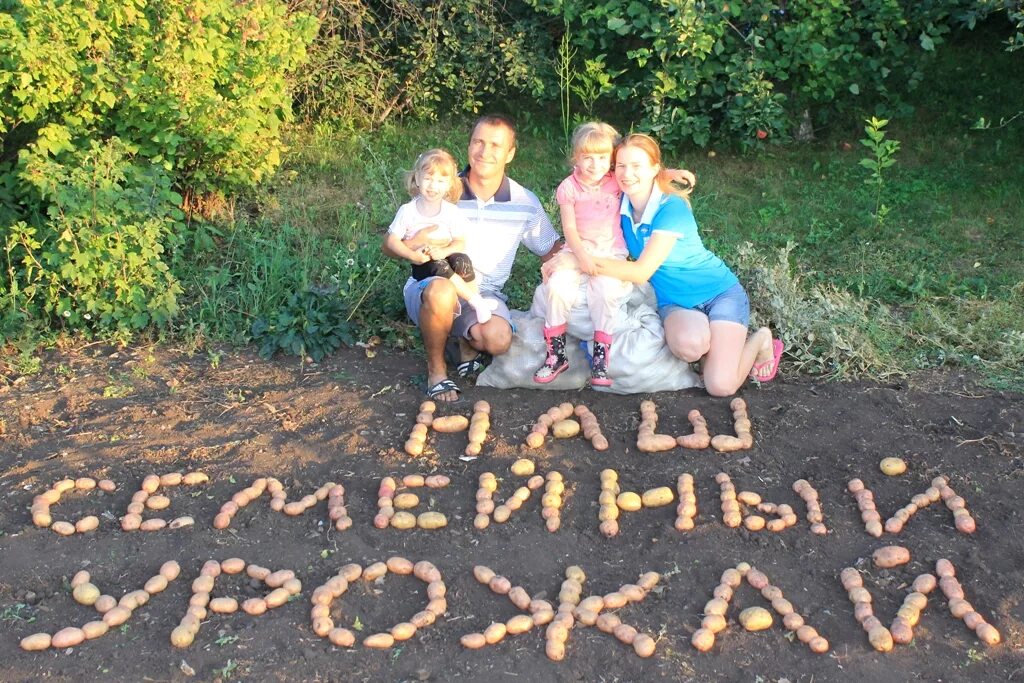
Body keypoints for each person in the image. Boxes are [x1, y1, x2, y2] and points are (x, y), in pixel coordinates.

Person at [584, 133, 783, 397]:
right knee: (689, 346)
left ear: (655, 168)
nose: (627, 173)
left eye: (637, 166)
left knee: (720, 386)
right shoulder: (618, 201)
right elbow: (587, 174)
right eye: (621, 165)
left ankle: (761, 339)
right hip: (676, 302)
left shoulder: (672, 208)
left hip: (719, 294)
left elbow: (642, 271)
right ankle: (713, 348)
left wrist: (584, 261)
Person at [382, 115, 561, 402]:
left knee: (499, 339)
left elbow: (550, 248)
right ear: (468, 146)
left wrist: (570, 271)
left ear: (510, 153)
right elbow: (390, 246)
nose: (484, 152)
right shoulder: (442, 190)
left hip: (484, 293)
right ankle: (437, 371)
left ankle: (458, 338)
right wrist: (415, 243)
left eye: (495, 145)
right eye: (478, 142)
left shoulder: (524, 202)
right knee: (441, 290)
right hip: (432, 284)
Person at [535, 122, 631, 386]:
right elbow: (570, 229)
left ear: (611, 158)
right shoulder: (568, 188)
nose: (595, 164)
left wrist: (671, 173)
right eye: (587, 157)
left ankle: (601, 357)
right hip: (576, 248)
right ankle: (556, 353)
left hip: (611, 250)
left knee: (606, 291)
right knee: (556, 287)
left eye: (602, 158)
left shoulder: (616, 182)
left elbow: (644, 174)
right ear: (575, 157)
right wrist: (582, 258)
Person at [383, 148, 499, 325]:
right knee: (439, 265)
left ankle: (475, 300)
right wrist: (413, 255)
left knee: (462, 260)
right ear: (417, 179)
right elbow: (392, 241)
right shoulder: (408, 211)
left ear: (449, 185)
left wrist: (445, 251)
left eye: (440, 181)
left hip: (443, 255)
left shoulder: (451, 211)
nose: (433, 186)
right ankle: (476, 302)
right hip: (423, 265)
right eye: (428, 179)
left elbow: (460, 242)